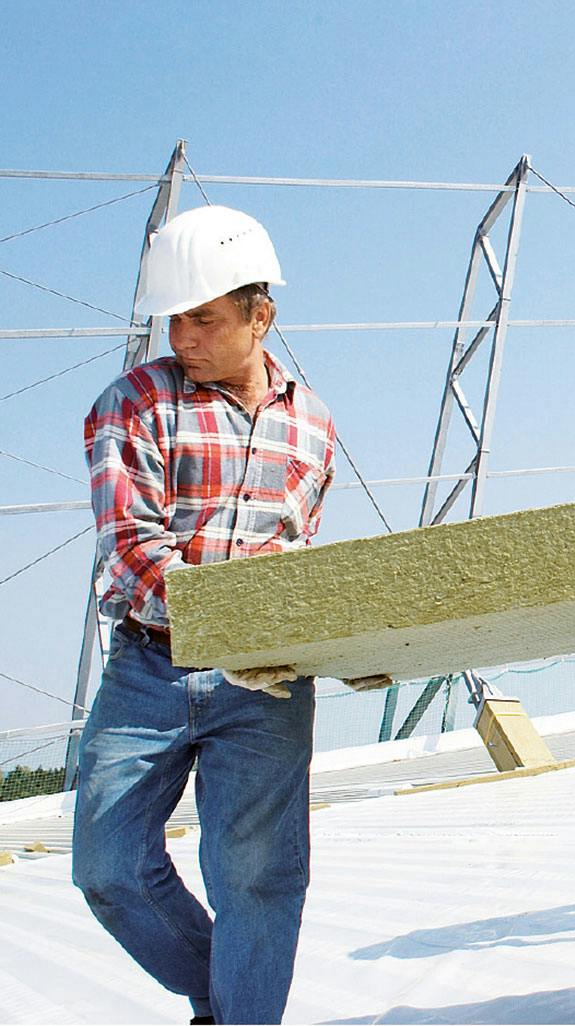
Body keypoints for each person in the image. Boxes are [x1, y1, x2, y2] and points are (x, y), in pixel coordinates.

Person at [72, 205, 339, 1024]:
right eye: (174, 318)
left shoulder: (315, 427)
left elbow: (300, 556)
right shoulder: (133, 404)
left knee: (257, 873)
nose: (182, 336)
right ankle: (222, 996)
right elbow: (130, 551)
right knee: (108, 866)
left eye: (204, 318)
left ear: (262, 317)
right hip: (150, 666)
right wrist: (227, 623)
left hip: (265, 688)